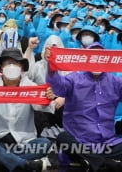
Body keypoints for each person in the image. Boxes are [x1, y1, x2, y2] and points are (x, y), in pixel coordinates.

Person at [0, 48, 54, 172]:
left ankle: (1, 162)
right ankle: (25, 165)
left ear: (22, 67)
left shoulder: (31, 87)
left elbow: (41, 107)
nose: (11, 66)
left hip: (23, 144)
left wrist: (47, 99)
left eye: (16, 63)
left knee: (44, 144)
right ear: (1, 67)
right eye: (7, 63)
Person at [45, 42, 122, 172]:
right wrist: (51, 65)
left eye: (100, 57)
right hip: (79, 141)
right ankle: (106, 163)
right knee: (63, 138)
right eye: (93, 57)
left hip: (107, 143)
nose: (96, 61)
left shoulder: (115, 82)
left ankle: (92, 161)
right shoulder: (74, 78)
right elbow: (57, 86)